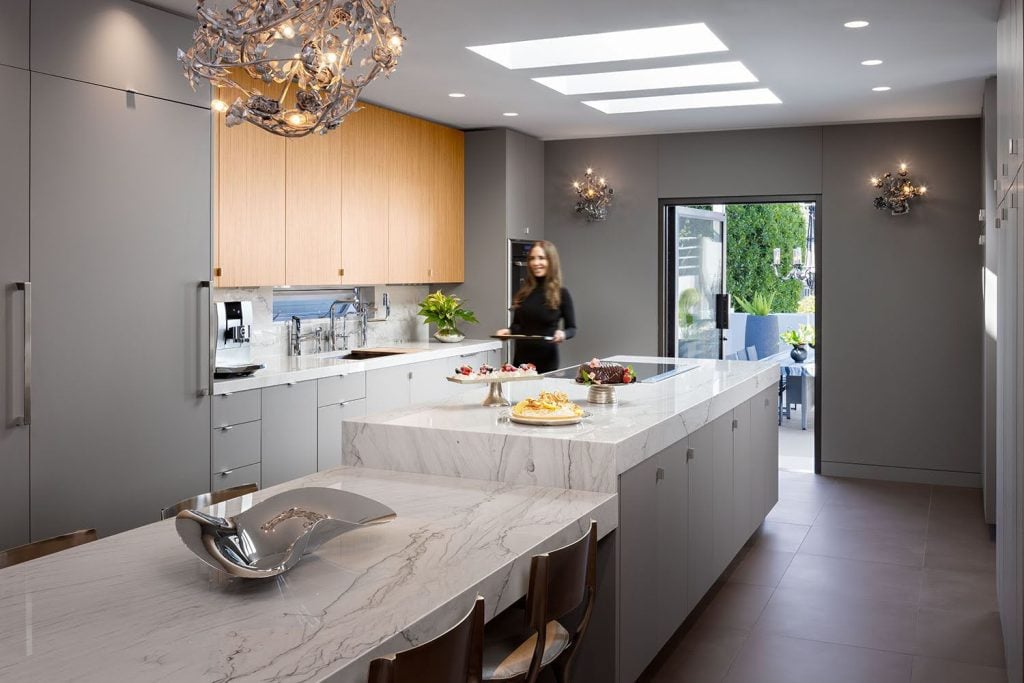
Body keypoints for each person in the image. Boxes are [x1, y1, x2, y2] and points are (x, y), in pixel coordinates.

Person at [496, 240, 576, 373]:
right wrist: (508, 332)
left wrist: (563, 334)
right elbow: (517, 325)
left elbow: (572, 328)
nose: (536, 263)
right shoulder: (524, 292)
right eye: (532, 258)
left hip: (547, 363)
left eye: (541, 258)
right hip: (520, 363)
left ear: (551, 261)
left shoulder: (561, 293)